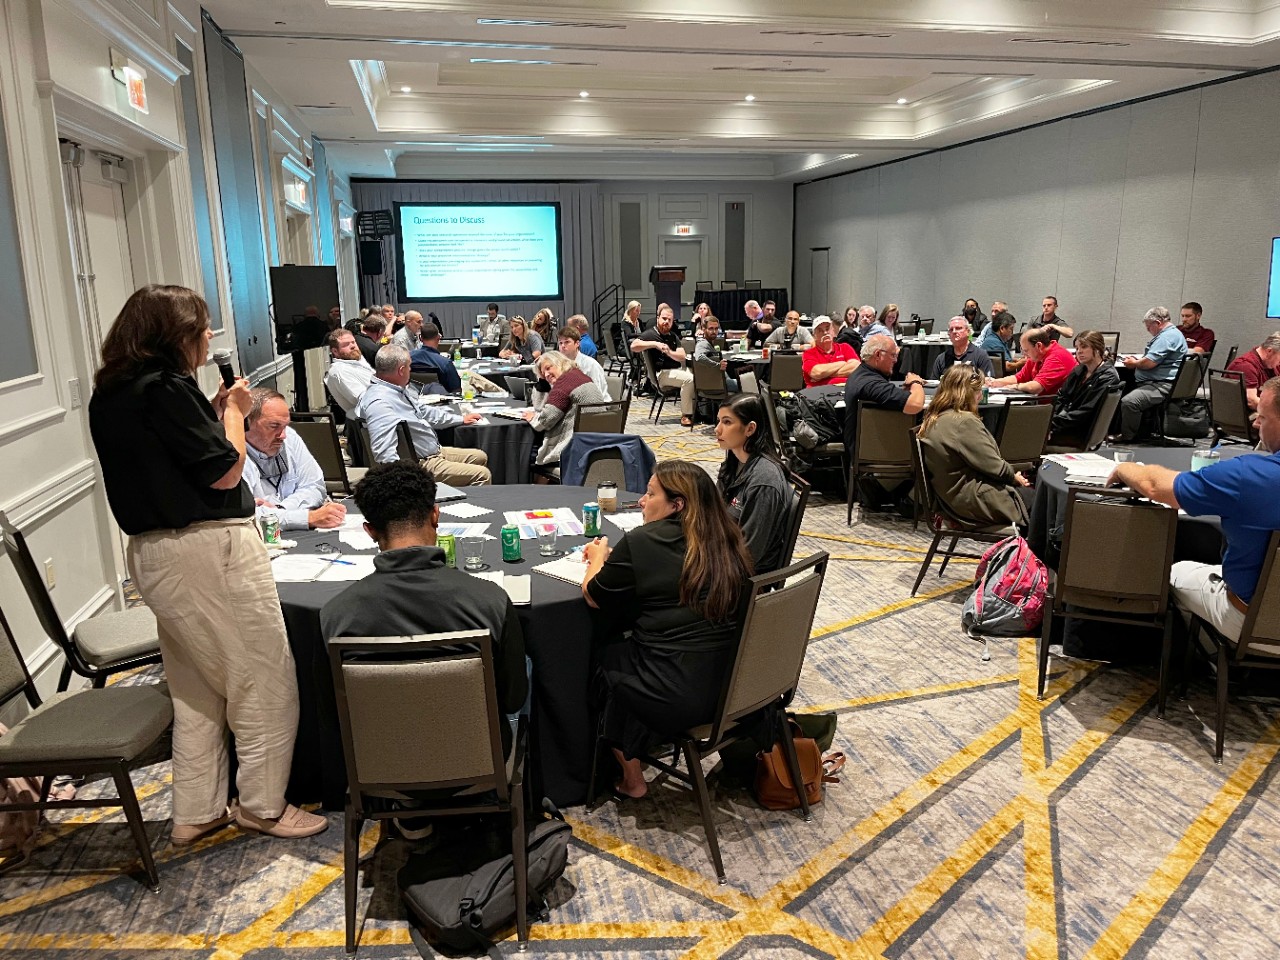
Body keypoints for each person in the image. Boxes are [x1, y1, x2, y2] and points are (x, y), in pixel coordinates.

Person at [87, 284, 326, 845]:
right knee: (262, 680)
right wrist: (238, 417)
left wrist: (217, 415)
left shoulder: (113, 390)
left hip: (155, 554)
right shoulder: (167, 388)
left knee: (196, 689)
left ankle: (196, 809)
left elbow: (174, 458)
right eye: (202, 331)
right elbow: (223, 473)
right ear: (178, 336)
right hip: (206, 548)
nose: (207, 340)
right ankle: (263, 805)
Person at [320, 461, 527, 754]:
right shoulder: (490, 601)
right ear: (435, 515)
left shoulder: (335, 616)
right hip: (479, 759)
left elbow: (332, 711)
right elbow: (513, 699)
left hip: (378, 765)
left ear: (369, 531)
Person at [582, 461, 754, 798]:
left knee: (606, 655)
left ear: (678, 505)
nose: (642, 502)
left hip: (679, 697)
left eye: (650, 494)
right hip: (739, 688)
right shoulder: (728, 538)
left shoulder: (643, 540)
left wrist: (598, 558)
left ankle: (631, 778)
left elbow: (593, 595)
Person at [1106, 378, 1280, 643]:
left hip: (1257, 624)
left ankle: (1208, 660)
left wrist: (1125, 469)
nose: (1256, 423)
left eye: (1263, 418)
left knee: (1175, 573)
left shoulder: (1248, 476)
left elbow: (1156, 487)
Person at [355, 344, 492, 484]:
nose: (410, 370)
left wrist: (460, 419)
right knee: (482, 475)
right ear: (401, 370)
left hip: (433, 452)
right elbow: (383, 452)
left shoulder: (395, 390)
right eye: (409, 366)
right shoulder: (380, 402)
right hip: (420, 464)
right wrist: (404, 482)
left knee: (480, 456)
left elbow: (425, 412)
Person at [918, 365, 1029, 526]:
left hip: (952, 497)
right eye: (979, 391)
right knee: (1046, 507)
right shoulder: (963, 422)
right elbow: (995, 467)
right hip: (975, 500)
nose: (979, 396)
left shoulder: (935, 418)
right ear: (969, 393)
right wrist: (1014, 477)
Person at [243, 388, 346, 531]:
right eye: (274, 426)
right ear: (245, 423)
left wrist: (281, 508)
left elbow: (315, 486)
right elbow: (246, 517)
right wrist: (307, 518)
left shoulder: (290, 438)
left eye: (285, 426)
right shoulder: (233, 455)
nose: (283, 435)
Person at [715, 394, 792, 573]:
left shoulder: (764, 480)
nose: (717, 430)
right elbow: (716, 517)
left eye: (727, 422)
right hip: (722, 555)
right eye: (718, 421)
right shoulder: (732, 464)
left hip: (741, 577)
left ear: (750, 429)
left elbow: (749, 554)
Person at [842, 334, 926, 456]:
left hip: (867, 449)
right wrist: (916, 382)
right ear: (878, 355)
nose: (896, 360)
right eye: (892, 355)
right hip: (876, 453)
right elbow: (915, 405)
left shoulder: (860, 375)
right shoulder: (871, 384)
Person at [524, 351, 609, 466]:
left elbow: (545, 421)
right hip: (597, 440)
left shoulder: (563, 383)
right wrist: (543, 383)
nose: (547, 374)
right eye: (543, 374)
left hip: (575, 447)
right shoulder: (578, 375)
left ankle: (537, 483)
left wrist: (532, 417)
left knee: (529, 453)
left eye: (548, 368)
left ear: (559, 363)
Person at [1115, 306, 1188, 441]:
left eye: (1149, 327)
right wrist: (1138, 362)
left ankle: (1128, 437)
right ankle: (1138, 430)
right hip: (1159, 381)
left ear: (1158, 323)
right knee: (1124, 388)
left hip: (1162, 385)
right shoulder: (1172, 334)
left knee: (1130, 401)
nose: (1149, 331)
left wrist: (1134, 363)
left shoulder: (1167, 337)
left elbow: (1149, 363)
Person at [1048, 330, 1122, 449]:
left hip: (1081, 431)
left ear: (1097, 349)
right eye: (1077, 348)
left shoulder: (1108, 376)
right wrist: (1050, 422)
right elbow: (1061, 398)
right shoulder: (1079, 370)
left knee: (1026, 436)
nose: (1079, 351)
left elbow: (1085, 412)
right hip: (1066, 425)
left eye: (1084, 347)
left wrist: (1051, 425)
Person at [631, 304, 695, 426]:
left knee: (699, 375)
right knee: (689, 380)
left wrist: (670, 352)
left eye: (669, 320)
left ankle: (701, 412)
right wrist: (655, 344)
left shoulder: (672, 336)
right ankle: (687, 415)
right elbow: (634, 346)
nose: (666, 322)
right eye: (664, 318)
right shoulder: (650, 334)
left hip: (676, 370)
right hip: (661, 374)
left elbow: (681, 356)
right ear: (658, 318)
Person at [986, 326, 1076, 396]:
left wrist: (1017, 386)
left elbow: (1036, 387)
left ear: (1038, 346)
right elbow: (1019, 377)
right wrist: (994, 382)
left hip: (1054, 411)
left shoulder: (1057, 357)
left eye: (1026, 350)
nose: (1024, 355)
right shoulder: (1037, 355)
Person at [324, 328, 375, 417]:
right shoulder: (339, 371)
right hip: (373, 422)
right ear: (335, 351)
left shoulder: (356, 359)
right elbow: (365, 401)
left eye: (353, 342)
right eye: (346, 344)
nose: (353, 346)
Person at [1225, 332, 1280, 410]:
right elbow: (1252, 401)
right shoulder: (1245, 366)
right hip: (1247, 414)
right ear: (1269, 351)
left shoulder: (1271, 363)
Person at [801, 317, 860, 388]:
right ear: (814, 336)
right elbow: (817, 372)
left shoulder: (845, 347)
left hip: (846, 390)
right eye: (820, 330)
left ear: (833, 330)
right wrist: (843, 363)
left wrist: (825, 374)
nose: (825, 332)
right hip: (819, 393)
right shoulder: (809, 353)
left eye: (827, 328)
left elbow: (856, 367)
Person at [409, 321, 463, 393]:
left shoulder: (407, 359)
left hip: (413, 399)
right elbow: (456, 390)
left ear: (420, 338)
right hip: (442, 401)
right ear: (438, 337)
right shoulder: (445, 363)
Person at [556, 326, 609, 394]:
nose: (563, 346)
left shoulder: (591, 365)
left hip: (592, 402)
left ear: (577, 344)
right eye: (560, 343)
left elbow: (597, 393)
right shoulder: (559, 364)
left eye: (567, 342)